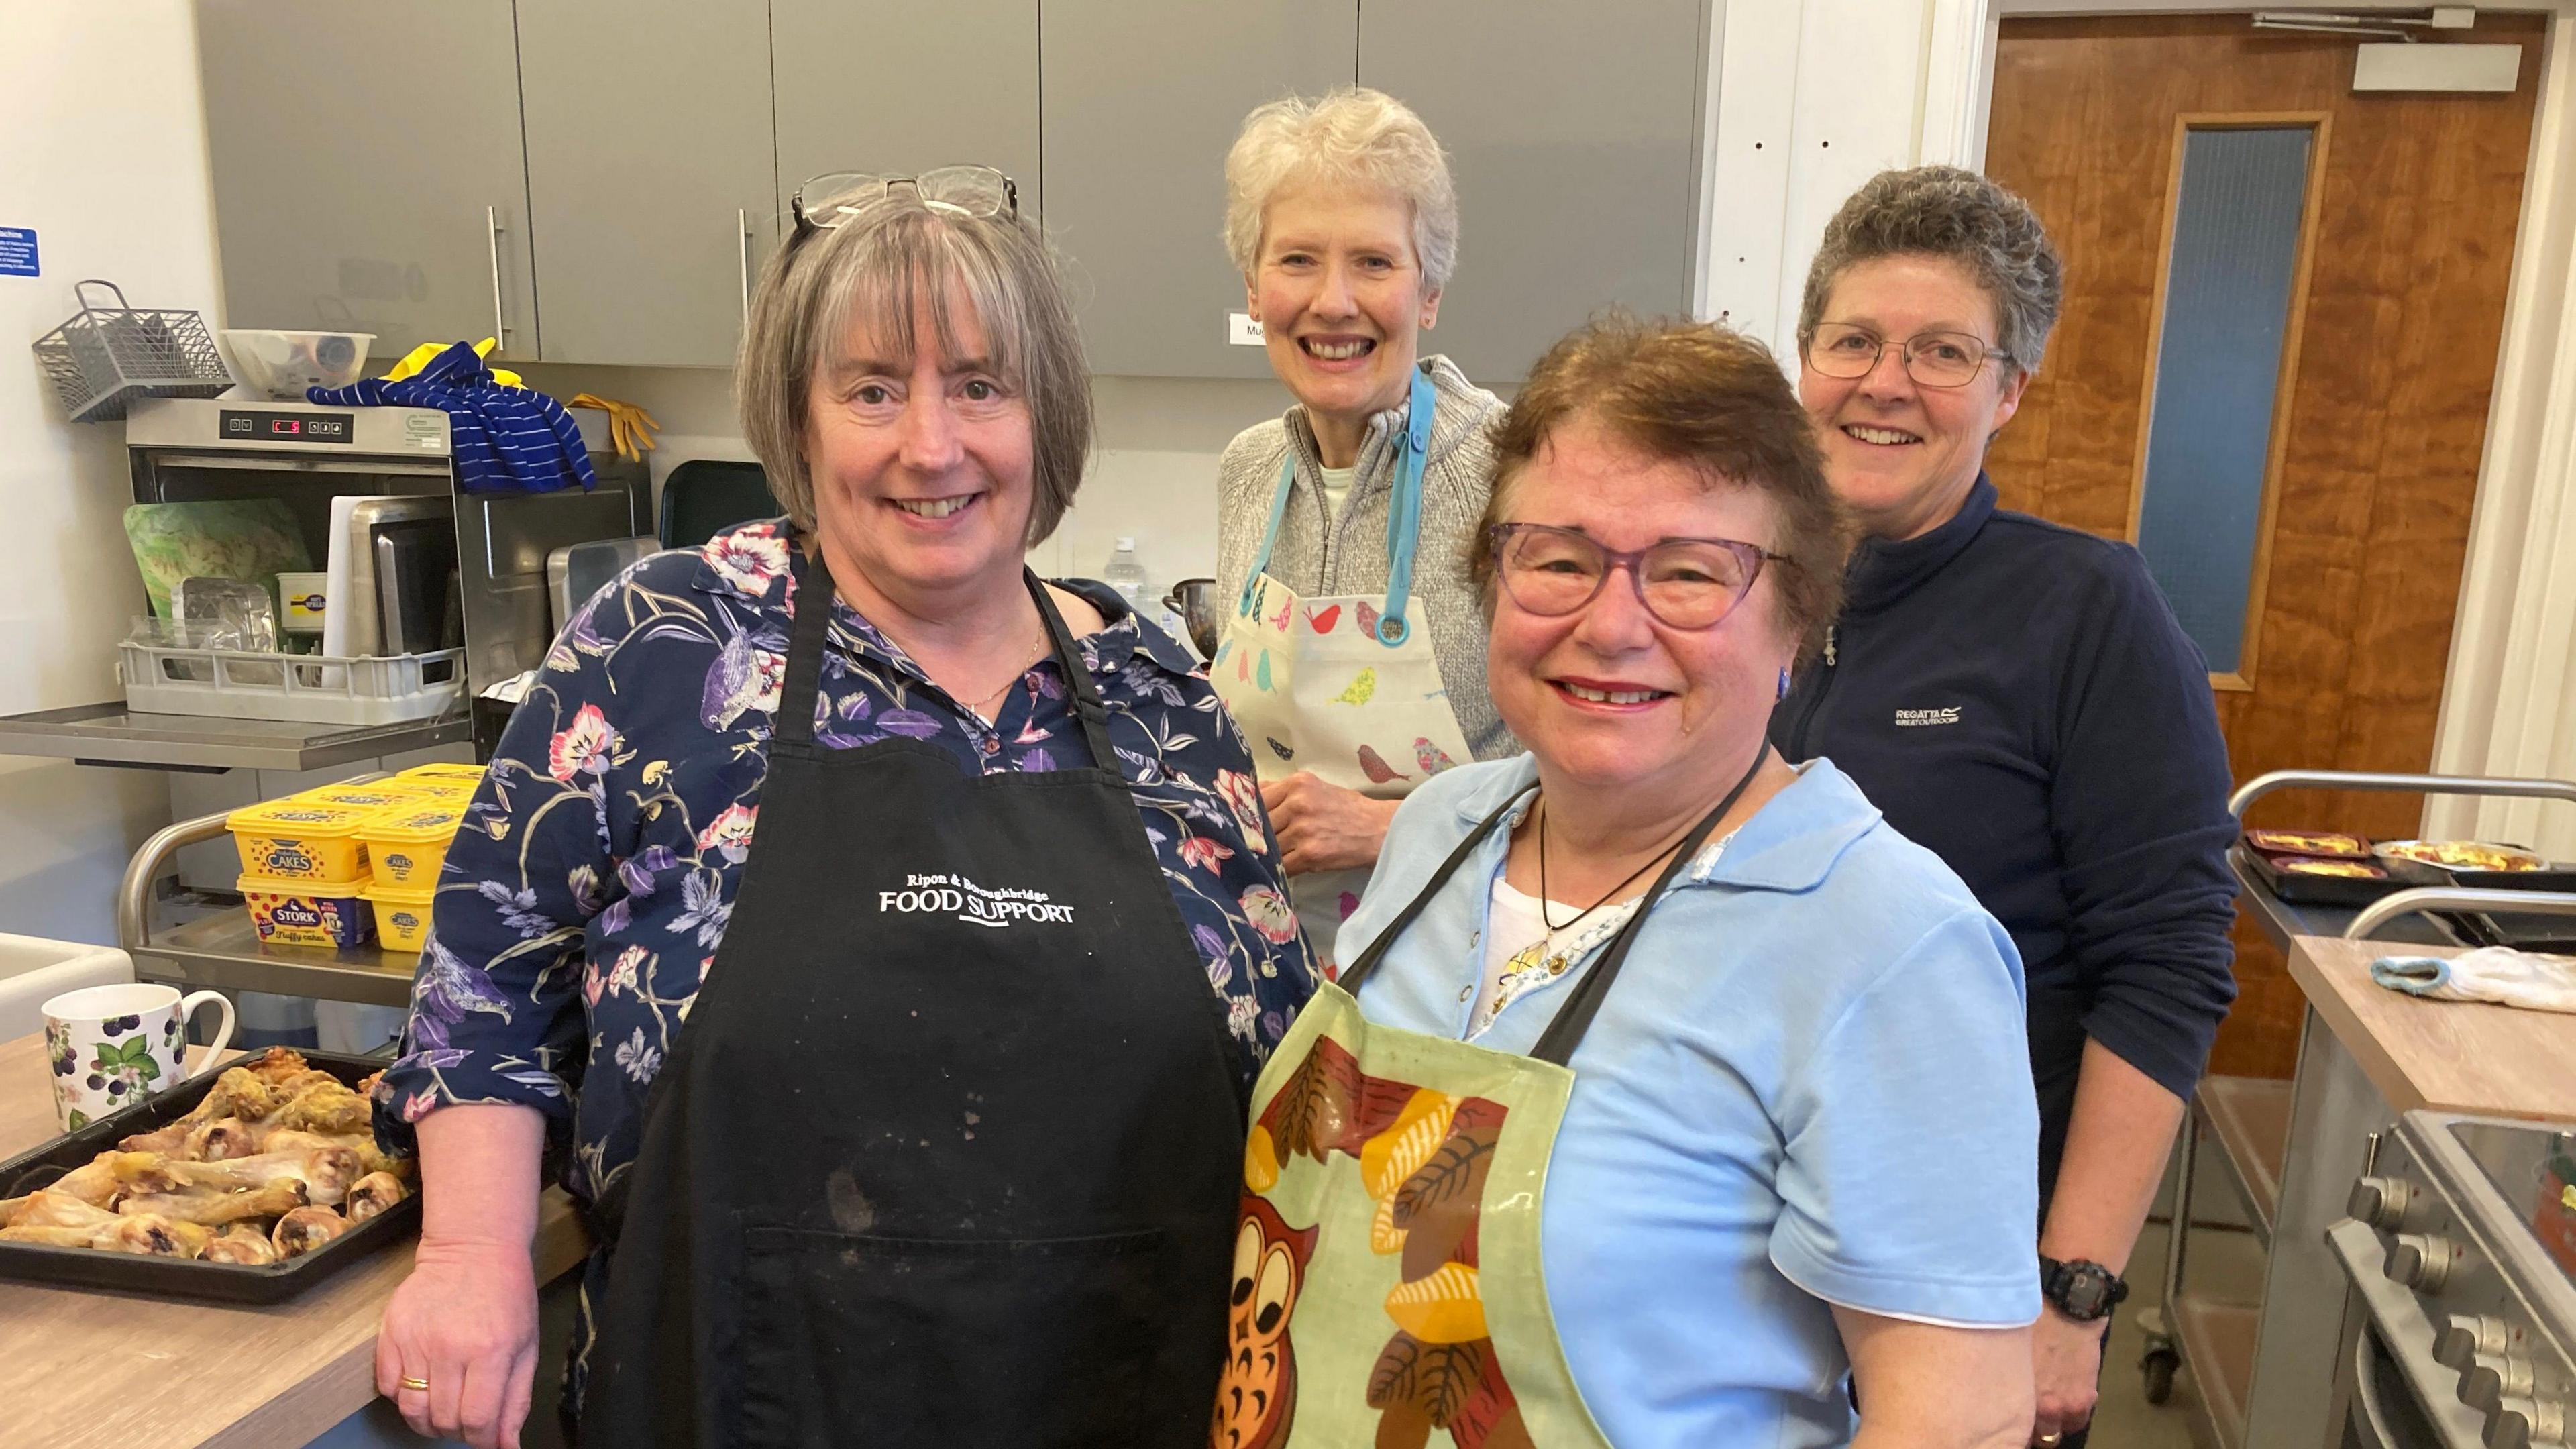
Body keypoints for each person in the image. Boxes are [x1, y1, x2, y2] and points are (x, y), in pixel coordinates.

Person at [369, 168, 1318, 1449]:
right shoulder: (663, 648)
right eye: (873, 389)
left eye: (981, 385)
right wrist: (470, 1255)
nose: (932, 445)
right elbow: (484, 981)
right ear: (800, 423)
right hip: (736, 1394)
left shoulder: (1158, 693)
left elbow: (1281, 1065)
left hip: (1125, 1397)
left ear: (1049, 418)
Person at [1216, 315, 2041, 1449]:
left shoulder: (1887, 945)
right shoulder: (1439, 830)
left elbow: (1963, 1424)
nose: (1611, 625)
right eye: (1558, 559)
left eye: (1693, 573)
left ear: (1798, 615)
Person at [1772, 164, 2240, 1449]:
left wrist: (2071, 1294)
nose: (1885, 382)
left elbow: (2169, 967)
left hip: (1966, 1269)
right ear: (1805, 358)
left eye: (1943, 352)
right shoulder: (1738, 595)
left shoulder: (2088, 612)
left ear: (2008, 390)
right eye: (1855, 340)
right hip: (1751, 1245)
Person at [1212, 87, 1513, 969]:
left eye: (1376, 264)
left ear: (1430, 293)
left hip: (1453, 963)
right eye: (1298, 260)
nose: (1333, 302)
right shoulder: (1247, 469)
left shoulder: (1515, 471)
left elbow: (1597, 769)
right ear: (1255, 290)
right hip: (1268, 962)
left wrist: (1388, 826)